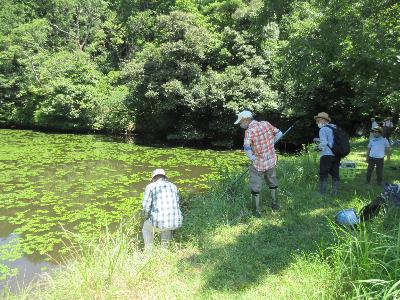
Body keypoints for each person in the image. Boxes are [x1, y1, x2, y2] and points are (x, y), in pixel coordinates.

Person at [234, 110, 283, 215]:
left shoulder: (249, 131)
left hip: (258, 164)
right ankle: (275, 204)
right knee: (272, 181)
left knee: (255, 185)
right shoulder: (265, 123)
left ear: (246, 120)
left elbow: (247, 148)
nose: (241, 124)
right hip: (271, 160)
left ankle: (256, 211)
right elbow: (279, 134)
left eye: (241, 122)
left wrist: (252, 158)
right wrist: (271, 144)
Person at [142, 169, 182, 249]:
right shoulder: (173, 186)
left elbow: (145, 208)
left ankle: (149, 251)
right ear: (165, 177)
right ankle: (164, 250)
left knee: (145, 228)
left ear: (153, 178)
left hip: (160, 222)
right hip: (175, 221)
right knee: (166, 226)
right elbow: (177, 202)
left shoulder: (150, 186)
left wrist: (144, 218)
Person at [314, 112, 340, 196]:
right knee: (335, 173)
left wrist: (318, 148)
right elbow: (331, 140)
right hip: (336, 154)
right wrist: (319, 139)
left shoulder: (323, 129)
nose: (317, 123)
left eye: (318, 121)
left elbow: (324, 143)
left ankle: (322, 193)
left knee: (323, 173)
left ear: (323, 120)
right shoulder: (334, 128)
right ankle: (334, 192)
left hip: (326, 154)